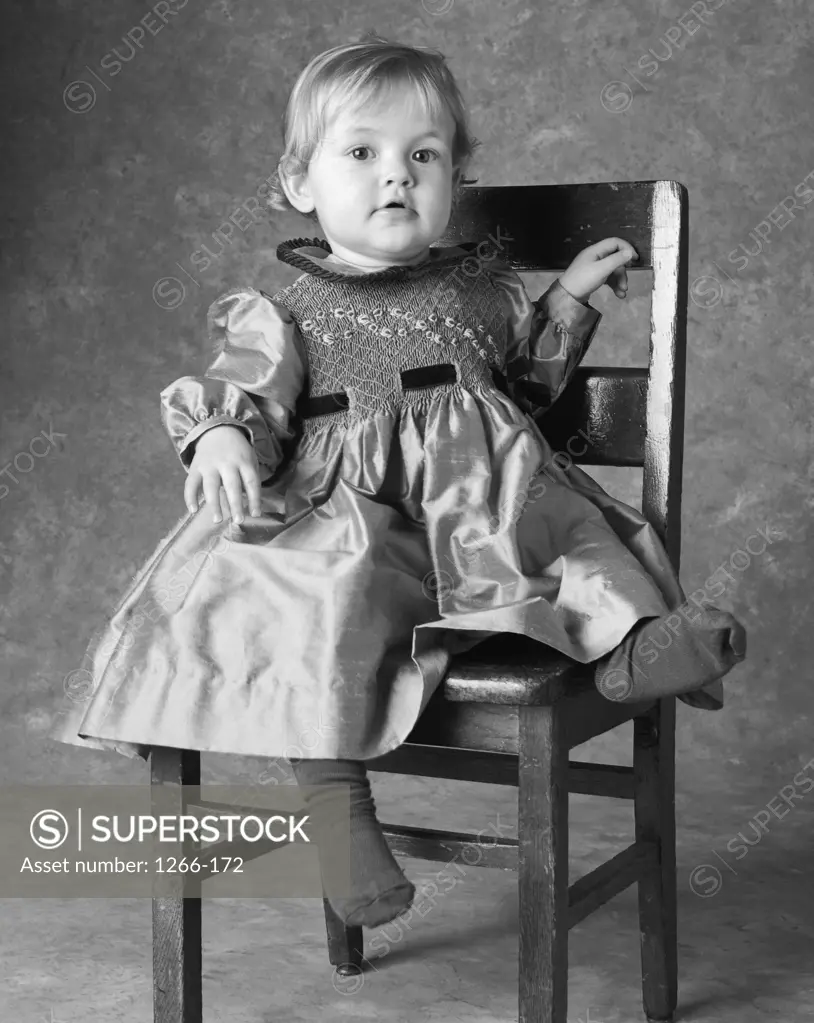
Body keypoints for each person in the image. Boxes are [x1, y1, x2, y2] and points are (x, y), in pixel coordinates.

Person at [51, 35, 746, 931]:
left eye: (424, 155)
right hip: (355, 522)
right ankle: (338, 813)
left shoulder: (482, 293)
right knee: (312, 607)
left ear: (453, 179)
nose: (396, 176)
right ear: (300, 184)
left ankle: (633, 651)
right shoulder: (286, 311)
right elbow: (248, 389)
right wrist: (220, 430)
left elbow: (522, 390)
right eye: (363, 153)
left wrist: (566, 300)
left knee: (576, 527)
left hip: (485, 513)